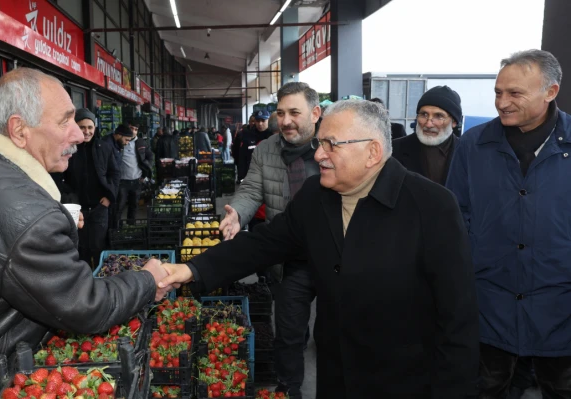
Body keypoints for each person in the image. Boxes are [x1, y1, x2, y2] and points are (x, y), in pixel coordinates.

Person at [157, 99, 479, 398]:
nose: (319, 155)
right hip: (335, 375)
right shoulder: (316, 196)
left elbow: (458, 322)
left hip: (403, 382)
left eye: (331, 144)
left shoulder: (432, 208)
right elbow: (263, 244)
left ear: (372, 152)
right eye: (319, 142)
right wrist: (190, 269)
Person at [0, 68, 170, 377]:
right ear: (20, 130)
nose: (78, 134)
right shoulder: (25, 212)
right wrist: (147, 280)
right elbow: (87, 307)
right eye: (64, 121)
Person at [446, 49, 571, 399]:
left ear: (550, 92)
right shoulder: (473, 144)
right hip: (490, 307)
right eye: (498, 92)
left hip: (560, 310)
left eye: (515, 93)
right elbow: (457, 215)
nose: (502, 102)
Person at [219, 82, 321, 399]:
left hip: (334, 254)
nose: (286, 120)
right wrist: (237, 212)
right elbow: (251, 189)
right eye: (281, 113)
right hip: (289, 256)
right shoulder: (267, 148)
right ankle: (289, 387)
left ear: (315, 113)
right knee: (288, 329)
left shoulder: (332, 146)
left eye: (294, 112)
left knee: (335, 328)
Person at [61, 108, 113, 266]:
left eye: (90, 127)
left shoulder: (103, 147)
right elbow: (59, 176)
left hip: (99, 207)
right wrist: (69, 199)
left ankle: (99, 280)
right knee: (79, 247)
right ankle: (83, 281)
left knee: (98, 246)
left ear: (95, 128)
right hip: (77, 208)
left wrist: (109, 197)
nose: (87, 131)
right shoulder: (68, 149)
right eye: (82, 127)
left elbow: (115, 172)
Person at [392, 86, 462, 185]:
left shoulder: (466, 152)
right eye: (424, 114)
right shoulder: (394, 150)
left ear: (454, 122)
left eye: (438, 116)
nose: (428, 124)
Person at [114, 123, 153, 227]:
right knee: (119, 206)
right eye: (131, 128)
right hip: (122, 181)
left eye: (136, 129)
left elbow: (150, 157)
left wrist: (145, 174)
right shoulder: (118, 142)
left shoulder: (141, 142)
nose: (133, 131)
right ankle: (116, 228)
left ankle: (131, 227)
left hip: (136, 180)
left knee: (134, 205)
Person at [236, 110, 273, 182]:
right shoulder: (247, 136)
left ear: (268, 121)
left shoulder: (273, 137)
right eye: (258, 121)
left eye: (263, 120)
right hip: (251, 176)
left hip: (269, 176)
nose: (260, 123)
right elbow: (242, 158)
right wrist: (241, 177)